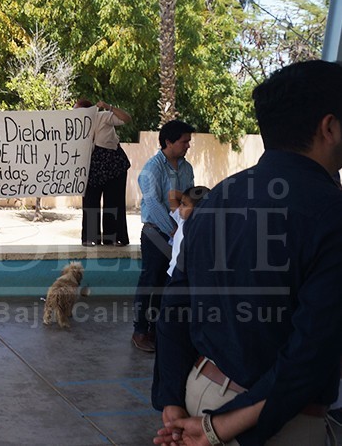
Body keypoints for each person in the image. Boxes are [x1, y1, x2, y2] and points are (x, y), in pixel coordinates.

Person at [152, 60, 342, 445]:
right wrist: (218, 428)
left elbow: (175, 302)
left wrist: (173, 401)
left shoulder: (220, 194)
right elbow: (310, 354)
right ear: (330, 127)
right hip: (275, 423)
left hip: (199, 393)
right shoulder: (331, 214)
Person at [130, 120, 195, 353]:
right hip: (156, 232)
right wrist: (173, 229)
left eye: (188, 141)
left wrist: (187, 225)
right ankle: (140, 331)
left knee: (166, 284)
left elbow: (190, 198)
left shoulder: (186, 168)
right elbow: (153, 204)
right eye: (184, 141)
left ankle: (156, 330)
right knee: (150, 281)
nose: (188, 145)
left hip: (176, 233)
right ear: (168, 142)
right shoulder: (151, 169)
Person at [74, 99, 132, 247]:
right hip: (91, 164)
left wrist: (108, 106)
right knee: (90, 201)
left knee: (114, 201)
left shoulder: (103, 116)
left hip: (113, 163)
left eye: (79, 110)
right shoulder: (75, 127)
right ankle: (90, 237)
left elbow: (126, 118)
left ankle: (113, 238)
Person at [165, 186, 209, 277]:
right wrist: (190, 197)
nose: (180, 208)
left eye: (184, 205)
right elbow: (172, 194)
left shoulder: (204, 229)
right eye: (181, 203)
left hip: (188, 276)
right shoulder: (182, 221)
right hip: (172, 272)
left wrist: (202, 201)